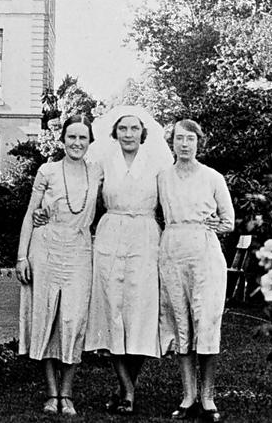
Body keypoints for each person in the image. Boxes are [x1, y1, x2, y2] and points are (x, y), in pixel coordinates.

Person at [83, 106, 173, 415]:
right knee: (112, 311)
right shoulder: (104, 160)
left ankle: (125, 389)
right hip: (111, 234)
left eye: (134, 129)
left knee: (141, 313)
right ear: (115, 133)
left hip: (146, 237)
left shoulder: (158, 163)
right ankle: (129, 390)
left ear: (143, 133)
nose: (129, 134)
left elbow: (173, 197)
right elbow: (83, 193)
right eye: (123, 129)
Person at [16, 114, 102, 416]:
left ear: (90, 141)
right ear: (62, 139)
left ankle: (68, 393)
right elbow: (30, 213)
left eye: (82, 137)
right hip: (46, 247)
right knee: (47, 318)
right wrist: (21, 256)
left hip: (79, 250)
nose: (77, 143)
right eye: (72, 137)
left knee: (73, 320)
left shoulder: (98, 171)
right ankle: (52, 394)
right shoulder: (47, 170)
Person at [157, 119, 235, 422]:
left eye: (190, 139)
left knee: (206, 323)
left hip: (204, 254)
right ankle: (188, 396)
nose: (185, 144)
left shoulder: (213, 177)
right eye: (179, 139)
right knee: (182, 324)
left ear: (199, 142)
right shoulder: (163, 177)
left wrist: (214, 224)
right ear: (172, 143)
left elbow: (228, 220)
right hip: (173, 251)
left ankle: (208, 397)